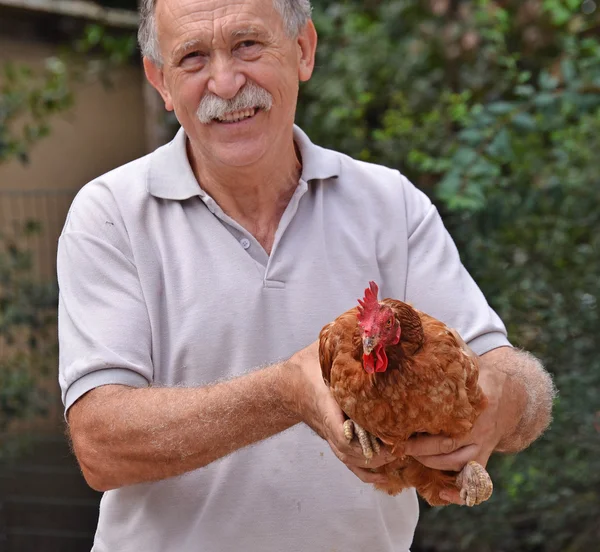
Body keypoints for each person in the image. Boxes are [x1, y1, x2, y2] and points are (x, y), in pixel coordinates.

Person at [57, 0, 555, 550]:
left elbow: (513, 377)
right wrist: (287, 392)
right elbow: (101, 445)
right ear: (161, 81)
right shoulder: (111, 214)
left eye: (248, 44)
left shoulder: (389, 204)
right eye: (193, 57)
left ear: (303, 50)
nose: (225, 82)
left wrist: (499, 402)